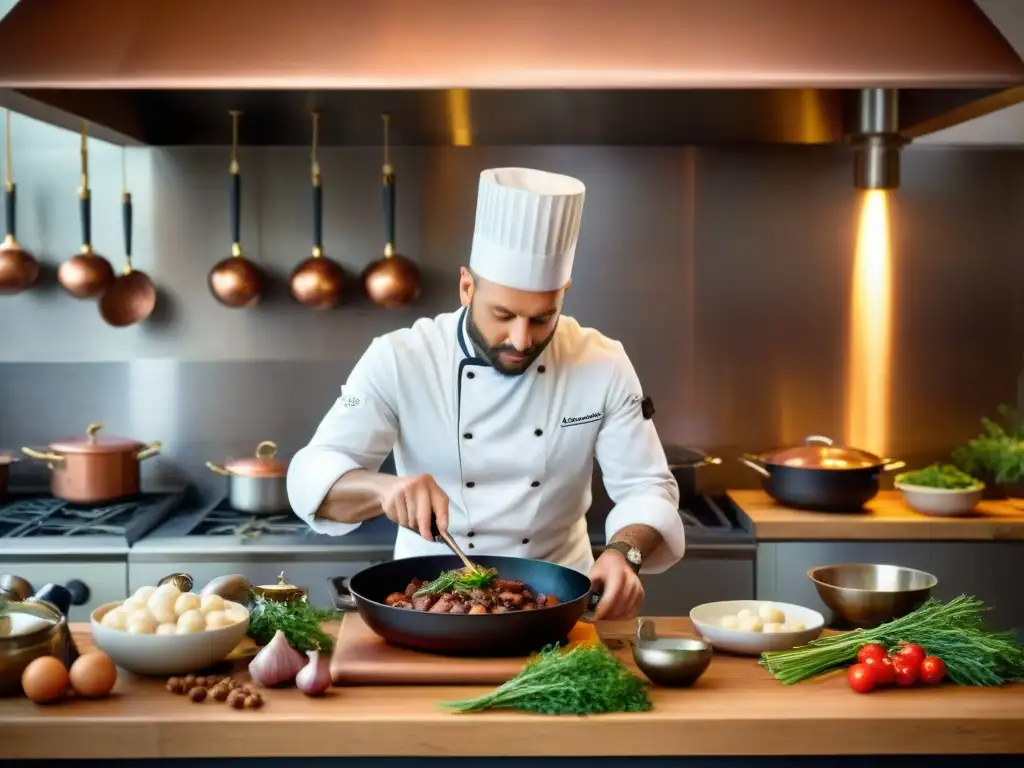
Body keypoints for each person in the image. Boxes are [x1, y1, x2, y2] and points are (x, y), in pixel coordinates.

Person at [287, 167, 684, 620]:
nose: (520, 339)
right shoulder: (401, 357)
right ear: (466, 287)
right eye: (503, 314)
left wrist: (624, 554)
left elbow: (646, 486)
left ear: (564, 293)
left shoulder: (602, 362)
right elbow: (310, 475)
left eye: (541, 318)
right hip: (429, 607)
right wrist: (383, 489)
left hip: (556, 603)